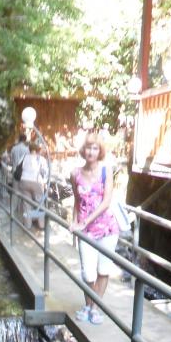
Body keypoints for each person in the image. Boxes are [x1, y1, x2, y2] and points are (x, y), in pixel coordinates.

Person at [69, 134, 119, 324]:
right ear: (84, 150)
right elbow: (76, 200)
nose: (91, 151)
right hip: (86, 232)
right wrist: (74, 222)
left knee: (103, 271)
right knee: (88, 273)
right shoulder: (75, 173)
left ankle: (93, 309)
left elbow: (106, 202)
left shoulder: (106, 170)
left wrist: (84, 221)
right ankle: (90, 305)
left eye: (95, 148)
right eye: (88, 148)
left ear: (100, 152)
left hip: (107, 229)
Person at [18, 141, 48, 230]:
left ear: (29, 149)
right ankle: (41, 224)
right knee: (40, 204)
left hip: (24, 181)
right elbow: (45, 172)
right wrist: (45, 182)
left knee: (26, 204)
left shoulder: (24, 157)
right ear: (37, 150)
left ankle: (27, 225)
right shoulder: (41, 159)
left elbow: (18, 166)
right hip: (36, 182)